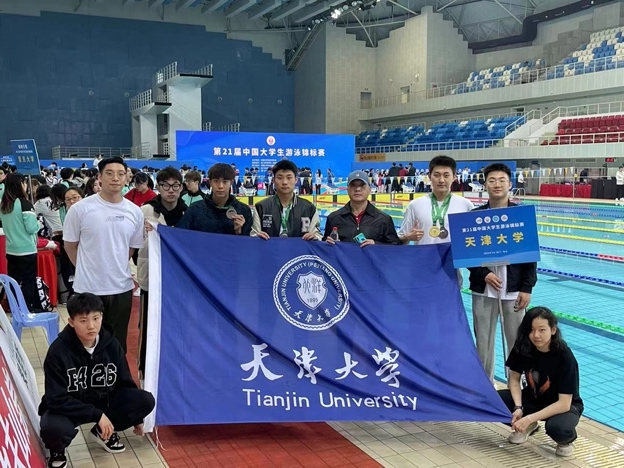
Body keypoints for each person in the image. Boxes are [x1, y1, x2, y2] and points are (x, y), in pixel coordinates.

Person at [39, 293, 155, 468]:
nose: (91, 326)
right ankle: (57, 451)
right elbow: (56, 399)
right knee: (53, 427)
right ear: (71, 322)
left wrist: (136, 417)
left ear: (102, 316)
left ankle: (103, 433)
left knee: (145, 400)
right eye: (83, 320)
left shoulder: (112, 345)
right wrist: (97, 415)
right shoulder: (58, 352)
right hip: (70, 404)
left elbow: (124, 383)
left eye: (96, 318)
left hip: (103, 399)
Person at [63, 157, 144, 353]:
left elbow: (131, 248)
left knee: (117, 345)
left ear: (127, 178)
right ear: (99, 177)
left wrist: (113, 265)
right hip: (88, 288)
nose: (115, 178)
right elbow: (70, 246)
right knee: (87, 344)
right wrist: (86, 268)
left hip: (121, 288)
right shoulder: (80, 209)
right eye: (109, 173)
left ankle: (114, 375)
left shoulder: (135, 212)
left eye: (120, 174)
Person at [468, 163, 537, 382]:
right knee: (483, 344)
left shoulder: (521, 215)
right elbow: (467, 255)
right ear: (485, 185)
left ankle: (516, 389)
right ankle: (485, 389)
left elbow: (530, 255)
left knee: (517, 343)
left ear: (510, 184)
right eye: (491, 180)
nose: (496, 184)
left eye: (501, 180)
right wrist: (484, 274)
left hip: (514, 292)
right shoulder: (474, 216)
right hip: (483, 291)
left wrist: (527, 288)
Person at [497, 307, 583, 457]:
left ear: (553, 330)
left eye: (542, 330)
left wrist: (529, 417)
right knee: (495, 401)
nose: (536, 335)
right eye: (531, 330)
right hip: (533, 400)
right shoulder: (523, 347)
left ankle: (566, 441)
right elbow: (514, 379)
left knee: (557, 428)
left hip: (564, 406)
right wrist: (518, 407)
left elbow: (564, 403)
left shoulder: (564, 357)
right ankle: (528, 426)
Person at [137, 167, 187, 379]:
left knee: (177, 326)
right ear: (158, 187)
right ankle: (145, 374)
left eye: (175, 186)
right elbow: (134, 243)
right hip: (152, 280)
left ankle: (175, 371)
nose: (171, 190)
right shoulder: (145, 211)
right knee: (149, 326)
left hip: (179, 283)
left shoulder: (187, 213)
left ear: (181, 188)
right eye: (166, 185)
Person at [398, 155, 474, 245]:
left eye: (446, 175)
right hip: (425, 254)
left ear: (454, 177)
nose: (441, 180)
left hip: (453, 254)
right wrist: (407, 237)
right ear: (429, 176)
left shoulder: (466, 205)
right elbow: (400, 241)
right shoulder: (414, 205)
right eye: (436, 175)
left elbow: (474, 238)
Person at [323, 170, 400, 245]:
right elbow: (323, 248)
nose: (357, 189)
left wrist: (376, 245)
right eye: (353, 185)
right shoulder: (333, 218)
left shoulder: (383, 219)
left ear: (369, 190)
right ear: (347, 190)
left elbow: (395, 247)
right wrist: (327, 244)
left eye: (362, 185)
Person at [252, 160, 321, 240]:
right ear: (273, 180)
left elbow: (318, 236)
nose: (284, 182)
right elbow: (253, 235)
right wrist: (256, 237)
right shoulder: (261, 207)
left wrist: (315, 237)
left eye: (289, 178)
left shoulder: (309, 208)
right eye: (280, 178)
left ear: (296, 180)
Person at [0, 173, 40, 311]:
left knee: (13, 280)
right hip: (27, 250)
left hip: (11, 249)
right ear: (20, 185)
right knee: (28, 281)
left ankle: (13, 307)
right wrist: (39, 223)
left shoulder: (4, 205)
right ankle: (27, 309)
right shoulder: (24, 204)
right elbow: (31, 228)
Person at [177, 163, 252, 234]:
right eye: (216, 181)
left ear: (231, 183)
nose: (220, 186)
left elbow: (249, 241)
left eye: (225, 182)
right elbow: (180, 235)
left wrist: (239, 232)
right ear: (210, 182)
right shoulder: (195, 209)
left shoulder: (243, 210)